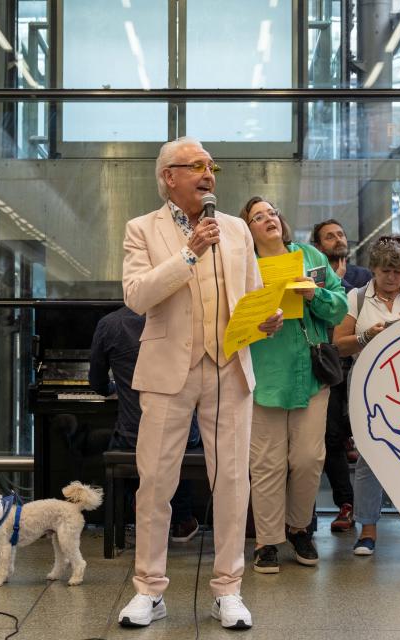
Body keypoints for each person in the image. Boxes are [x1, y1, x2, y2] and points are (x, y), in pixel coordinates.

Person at [117, 137, 282, 630]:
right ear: (169, 176)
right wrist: (189, 254)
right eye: (195, 167)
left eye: (211, 167)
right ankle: (148, 590)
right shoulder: (141, 229)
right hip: (169, 370)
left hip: (229, 366)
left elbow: (252, 294)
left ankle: (228, 589)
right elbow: (136, 296)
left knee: (232, 481)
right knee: (155, 483)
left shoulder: (235, 229)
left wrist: (265, 319)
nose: (208, 174)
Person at [240, 198, 347, 573]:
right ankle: (268, 541)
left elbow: (339, 307)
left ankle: (299, 527)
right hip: (264, 376)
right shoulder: (243, 266)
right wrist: (257, 324)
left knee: (307, 459)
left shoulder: (310, 257)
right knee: (266, 464)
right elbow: (231, 321)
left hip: (310, 375)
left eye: (271, 212)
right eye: (257, 217)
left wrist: (313, 294)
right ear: (248, 229)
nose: (268, 218)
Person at [332, 235, 400, 556]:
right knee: (369, 458)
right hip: (369, 385)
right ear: (373, 269)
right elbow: (339, 344)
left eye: (399, 271)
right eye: (386, 271)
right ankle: (367, 530)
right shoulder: (357, 297)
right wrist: (367, 335)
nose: (393, 278)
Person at [88, 305, 201, 542]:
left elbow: (97, 382)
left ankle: (141, 507)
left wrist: (114, 387)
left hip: (133, 434)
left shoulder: (110, 323)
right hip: (182, 432)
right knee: (180, 437)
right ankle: (182, 520)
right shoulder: (185, 319)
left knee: (123, 439)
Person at [312, 218, 372, 531]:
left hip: (362, 366)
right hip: (328, 365)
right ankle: (345, 503)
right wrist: (331, 285)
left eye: (341, 233)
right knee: (331, 436)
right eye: (329, 237)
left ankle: (369, 511)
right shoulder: (313, 277)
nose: (337, 239)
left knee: (364, 433)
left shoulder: (364, 275)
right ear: (318, 245)